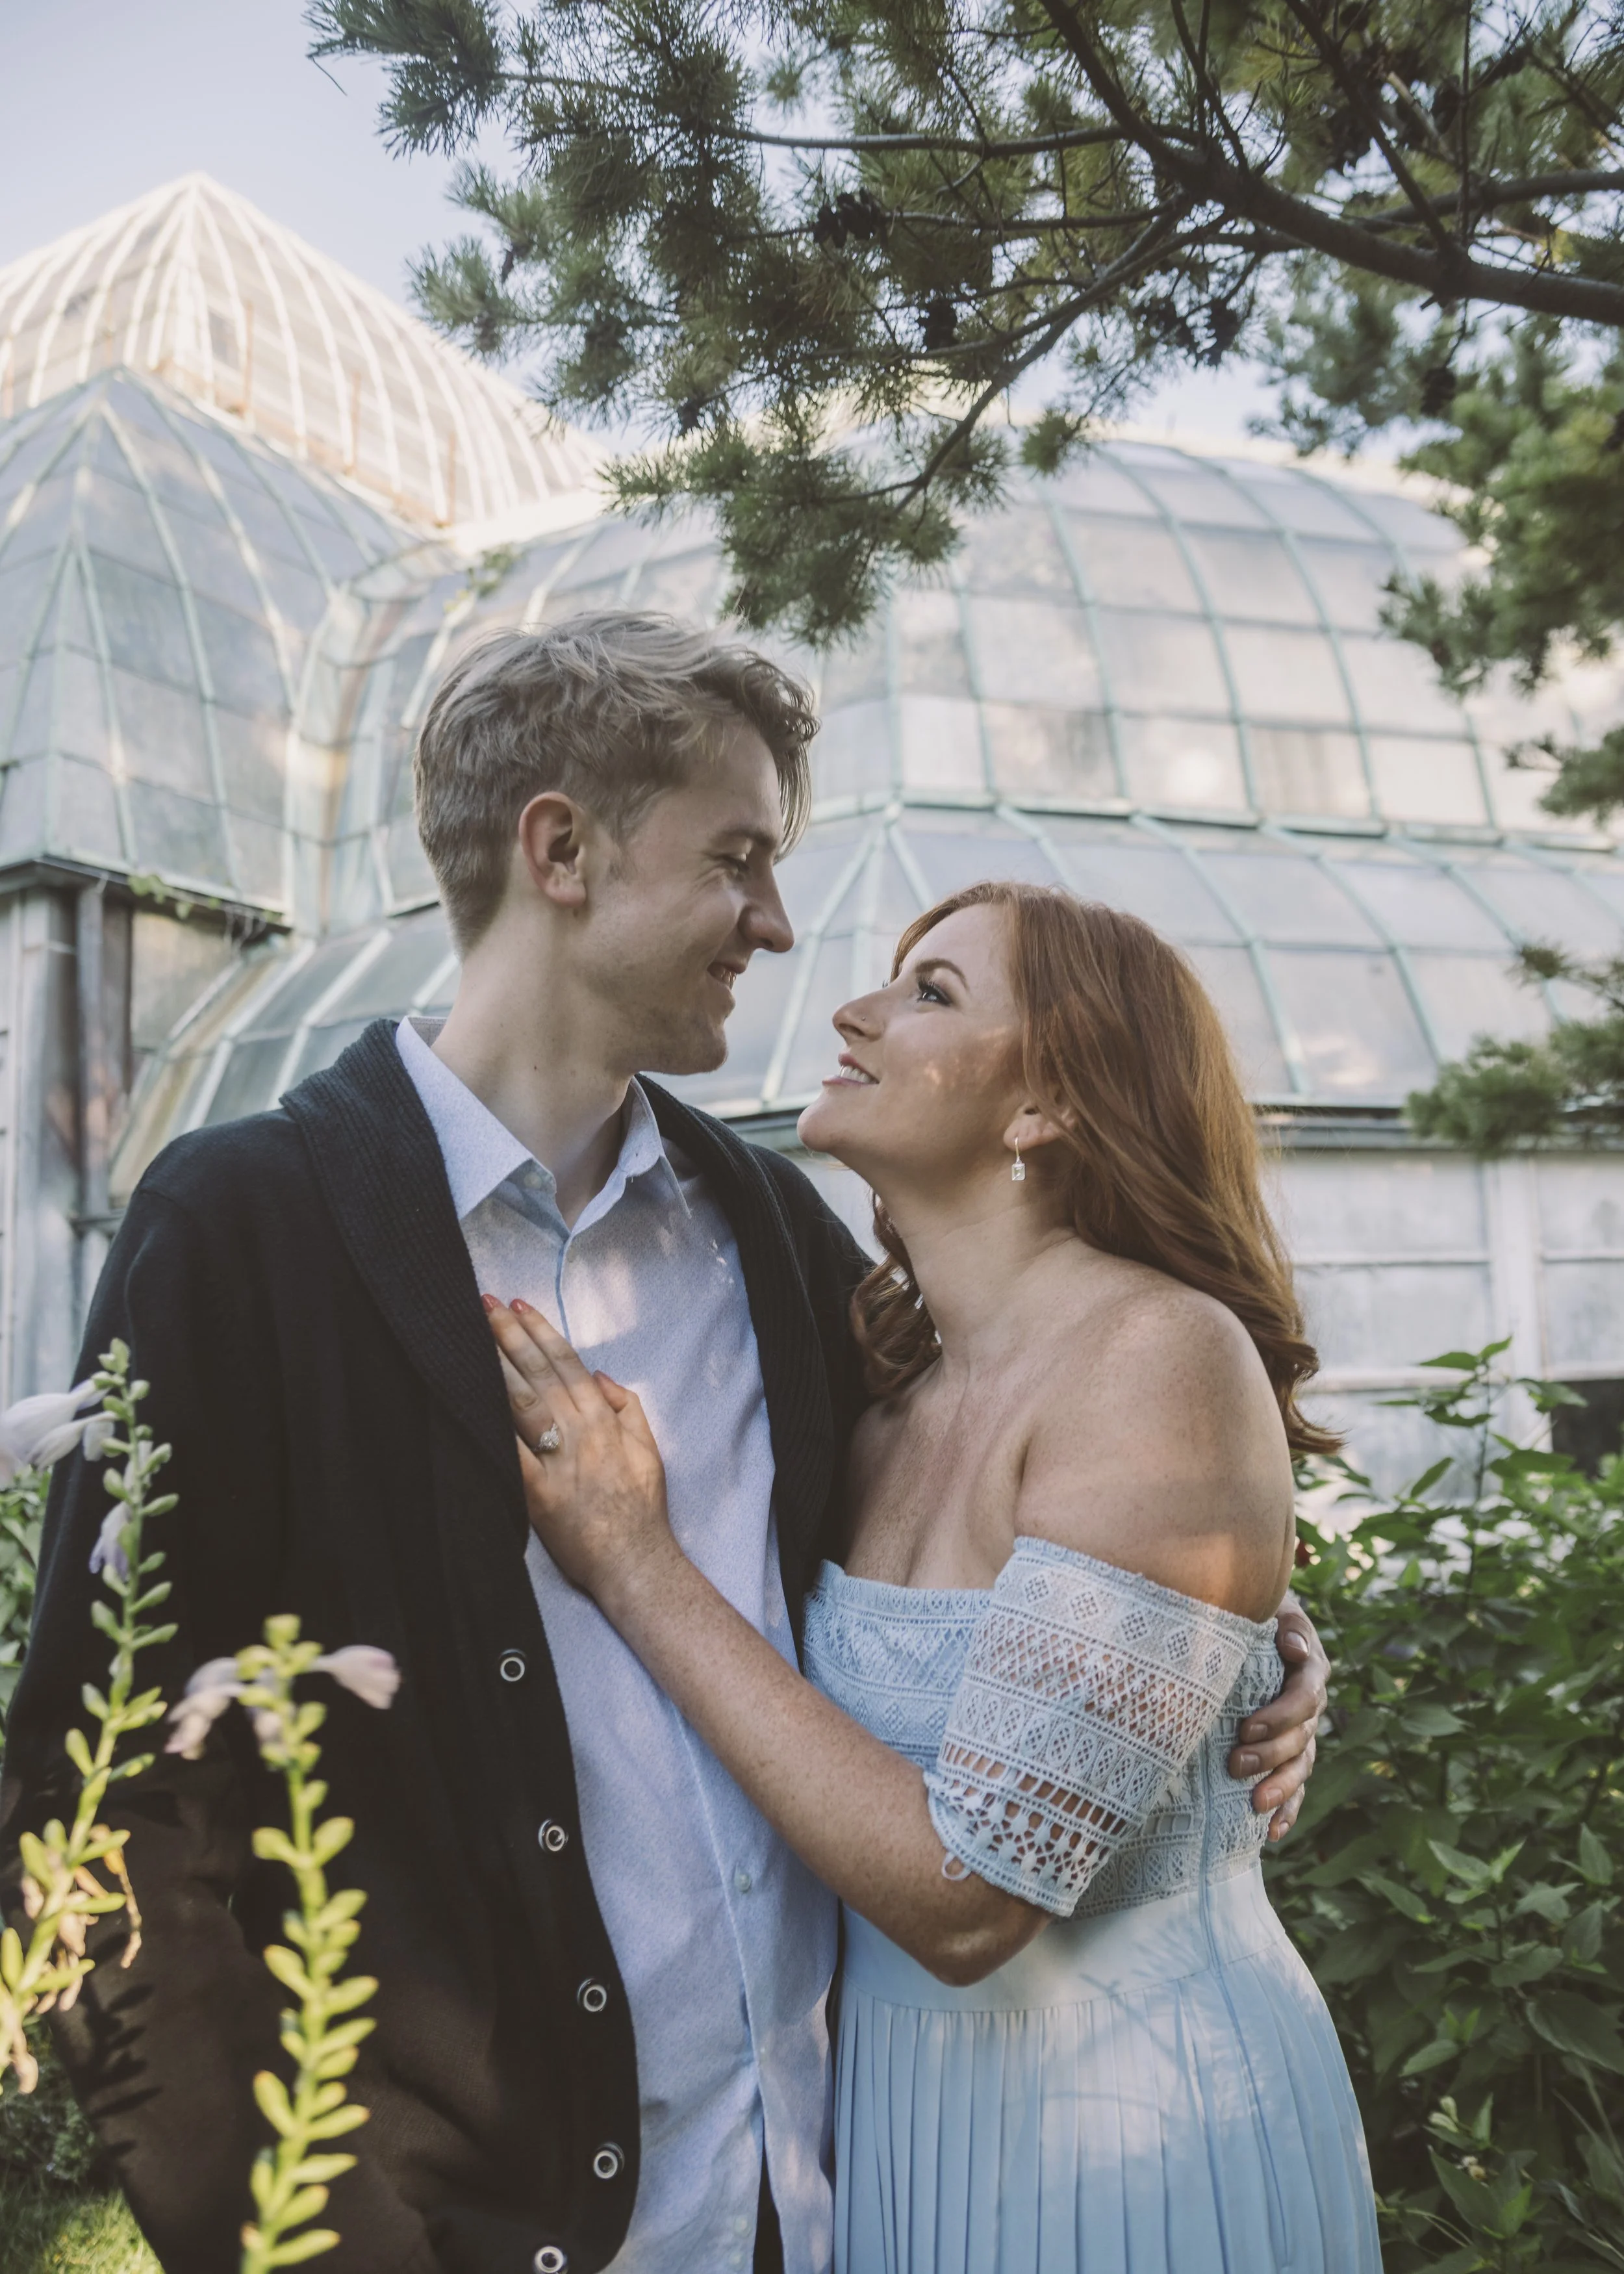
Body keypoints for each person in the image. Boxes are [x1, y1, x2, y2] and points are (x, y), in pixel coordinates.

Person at [1, 617, 1327, 2274]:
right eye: (737, 861)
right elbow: (99, 1805)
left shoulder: (773, 1233)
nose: (776, 926)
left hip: (834, 2209)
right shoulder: (244, 1226)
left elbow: (1017, 1540)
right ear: (559, 849)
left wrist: (1236, 1645)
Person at [485, 879, 1380, 2273]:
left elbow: (972, 1898)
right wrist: (1240, 1634)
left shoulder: (1157, 1355)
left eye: (930, 992)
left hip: (1137, 2144)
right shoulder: (883, 1392)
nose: (852, 1011)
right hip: (894, 2139)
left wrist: (632, 1560)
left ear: (1045, 1105)